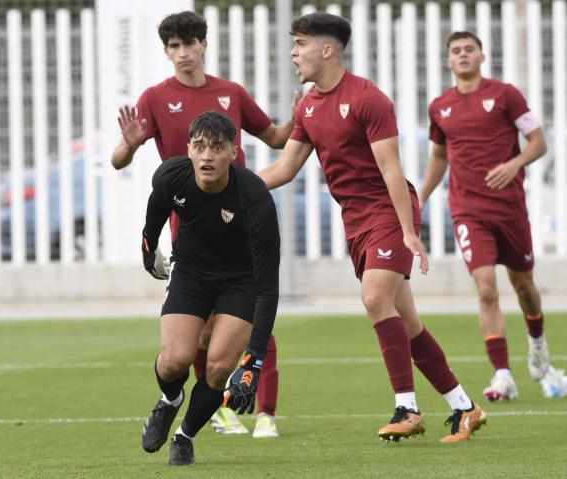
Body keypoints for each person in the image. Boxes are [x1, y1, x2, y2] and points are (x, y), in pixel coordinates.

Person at [258, 12, 486, 442]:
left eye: (300, 44)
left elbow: (391, 169)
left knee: (374, 297)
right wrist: (230, 185)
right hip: (355, 221)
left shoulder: (368, 98)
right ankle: (464, 406)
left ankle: (408, 407)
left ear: (327, 49)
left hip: (387, 212)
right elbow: (285, 168)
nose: (293, 53)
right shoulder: (307, 106)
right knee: (408, 323)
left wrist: (408, 231)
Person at [112, 11, 295, 436]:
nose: (182, 53)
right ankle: (212, 407)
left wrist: (298, 118)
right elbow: (117, 159)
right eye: (174, 47)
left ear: (203, 45)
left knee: (248, 313)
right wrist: (132, 143)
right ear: (166, 52)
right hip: (190, 226)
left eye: (189, 44)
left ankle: (265, 410)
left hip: (240, 217)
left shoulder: (230, 92)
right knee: (200, 328)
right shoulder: (155, 98)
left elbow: (273, 136)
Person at [419, 31, 567, 401]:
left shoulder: (506, 95)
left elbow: (538, 141)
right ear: (449, 62)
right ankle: (502, 374)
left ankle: (538, 351)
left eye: (469, 49)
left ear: (482, 56)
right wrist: (419, 197)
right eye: (456, 51)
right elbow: (439, 157)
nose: (463, 55)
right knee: (486, 288)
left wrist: (514, 163)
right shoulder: (440, 106)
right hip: (469, 210)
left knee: (524, 289)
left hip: (510, 208)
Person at [139, 111, 280, 466]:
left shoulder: (254, 197)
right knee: (173, 362)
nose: (207, 156)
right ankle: (169, 401)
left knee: (218, 369)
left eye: (217, 147)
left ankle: (184, 437)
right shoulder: (172, 177)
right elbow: (155, 212)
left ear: (234, 152)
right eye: (199, 146)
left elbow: (267, 288)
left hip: (240, 280)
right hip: (191, 271)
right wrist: (148, 250)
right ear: (188, 150)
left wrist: (254, 362)